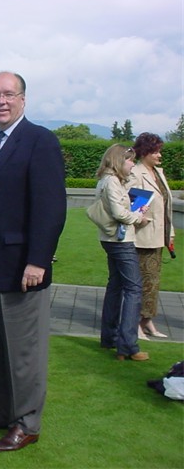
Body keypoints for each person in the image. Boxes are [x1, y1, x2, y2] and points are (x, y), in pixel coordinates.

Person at [0, 72, 66, 452]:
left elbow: (51, 208)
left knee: (24, 354)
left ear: (23, 99)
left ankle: (27, 423)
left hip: (22, 268)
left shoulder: (40, 141)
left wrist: (37, 260)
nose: (1, 101)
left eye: (8, 94)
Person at [94, 143, 149, 361]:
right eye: (129, 160)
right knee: (134, 289)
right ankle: (127, 346)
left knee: (115, 286)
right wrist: (139, 218)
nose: (132, 164)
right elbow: (119, 212)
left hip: (110, 239)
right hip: (120, 240)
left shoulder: (107, 180)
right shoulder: (112, 182)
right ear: (119, 160)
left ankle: (110, 338)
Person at [129, 133, 174, 340]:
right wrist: (141, 218)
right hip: (142, 237)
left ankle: (147, 320)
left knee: (154, 282)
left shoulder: (158, 173)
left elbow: (166, 208)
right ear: (145, 152)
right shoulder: (136, 174)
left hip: (158, 237)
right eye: (156, 152)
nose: (159, 156)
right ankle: (135, 322)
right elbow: (134, 207)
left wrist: (169, 234)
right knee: (142, 282)